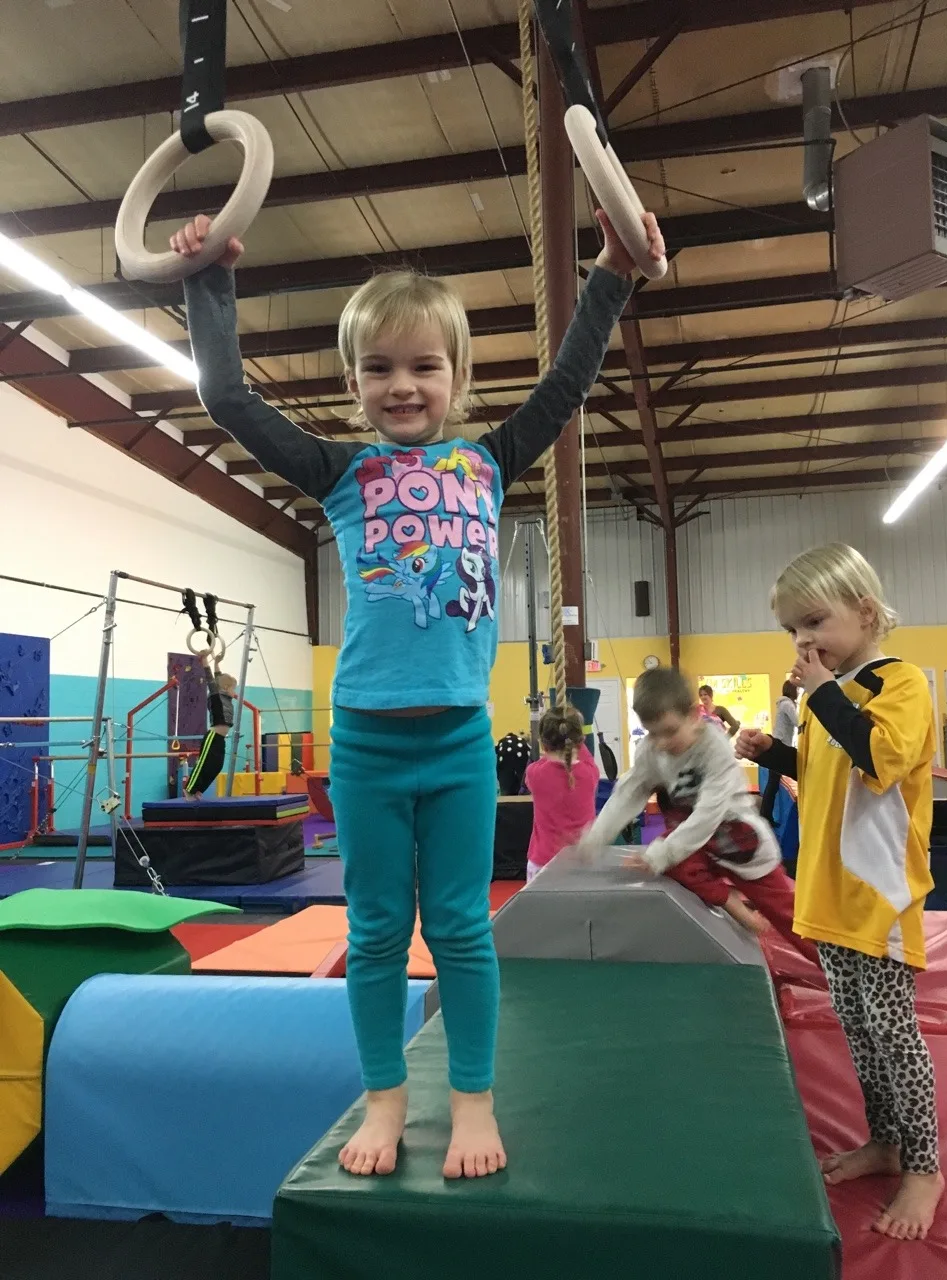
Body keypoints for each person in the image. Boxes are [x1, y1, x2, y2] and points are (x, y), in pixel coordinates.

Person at [173, 207, 665, 1181]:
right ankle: (388, 1097)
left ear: (457, 376)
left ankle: (472, 1098)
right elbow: (228, 399)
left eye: (424, 366)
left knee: (462, 926)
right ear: (355, 385)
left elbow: (567, 383)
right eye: (380, 369)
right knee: (375, 929)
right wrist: (209, 281)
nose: (403, 385)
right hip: (363, 741)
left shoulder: (486, 460)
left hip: (454, 743)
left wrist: (611, 270)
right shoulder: (341, 469)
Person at [736, 543, 942, 1241]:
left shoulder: (901, 683)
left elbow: (879, 760)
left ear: (864, 611)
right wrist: (775, 754)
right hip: (827, 897)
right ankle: (885, 1140)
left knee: (896, 1033)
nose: (802, 642)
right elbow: (829, 776)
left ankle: (924, 1166)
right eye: (792, 631)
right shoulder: (833, 699)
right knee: (858, 1032)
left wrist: (819, 692)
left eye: (814, 622)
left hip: (877, 895)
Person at [579, 667, 816, 960]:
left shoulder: (713, 747)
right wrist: (597, 836)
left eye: (670, 731)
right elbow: (629, 793)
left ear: (694, 715)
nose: (662, 742)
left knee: (789, 916)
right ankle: (728, 900)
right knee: (660, 861)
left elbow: (708, 814)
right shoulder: (652, 750)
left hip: (738, 840)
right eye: (653, 734)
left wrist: (662, 854)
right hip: (695, 845)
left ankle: (836, 972)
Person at [524, 705, 599, 882]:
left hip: (543, 863)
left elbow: (547, 763)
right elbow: (582, 752)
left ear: (543, 744)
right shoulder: (590, 773)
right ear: (581, 741)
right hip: (580, 864)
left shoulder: (534, 774)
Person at [184, 648, 237, 799]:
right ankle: (189, 789)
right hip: (212, 737)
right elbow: (210, 678)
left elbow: (219, 678)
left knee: (217, 766)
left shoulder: (227, 698)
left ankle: (198, 789)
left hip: (220, 739)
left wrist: (218, 663)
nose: (235, 692)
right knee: (203, 765)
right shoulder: (215, 696)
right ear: (226, 688)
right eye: (234, 688)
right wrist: (205, 659)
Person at [759, 680, 799, 821]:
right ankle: (765, 815)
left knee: (773, 783)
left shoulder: (783, 704)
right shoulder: (787, 704)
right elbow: (798, 721)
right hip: (781, 743)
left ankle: (766, 814)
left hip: (780, 741)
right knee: (773, 783)